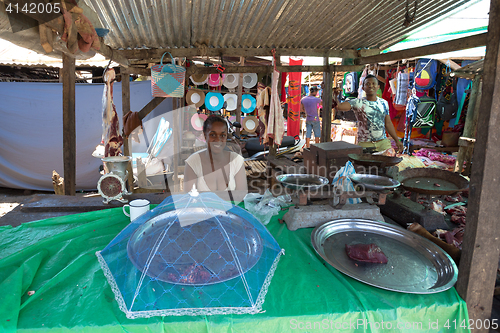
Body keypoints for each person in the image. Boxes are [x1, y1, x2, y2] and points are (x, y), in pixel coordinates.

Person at [184, 114, 248, 201]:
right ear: (204, 135)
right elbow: (189, 200)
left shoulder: (237, 161)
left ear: (226, 136)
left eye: (222, 135)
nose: (218, 140)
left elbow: (241, 197)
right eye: (213, 135)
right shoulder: (193, 163)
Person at [337, 74, 404, 152]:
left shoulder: (383, 103)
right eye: (367, 84)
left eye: (373, 83)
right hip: (365, 143)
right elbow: (339, 106)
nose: (371, 86)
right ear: (363, 88)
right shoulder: (358, 102)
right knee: (365, 164)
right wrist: (334, 95)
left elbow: (388, 123)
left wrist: (397, 140)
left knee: (388, 161)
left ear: (378, 87)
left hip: (382, 143)